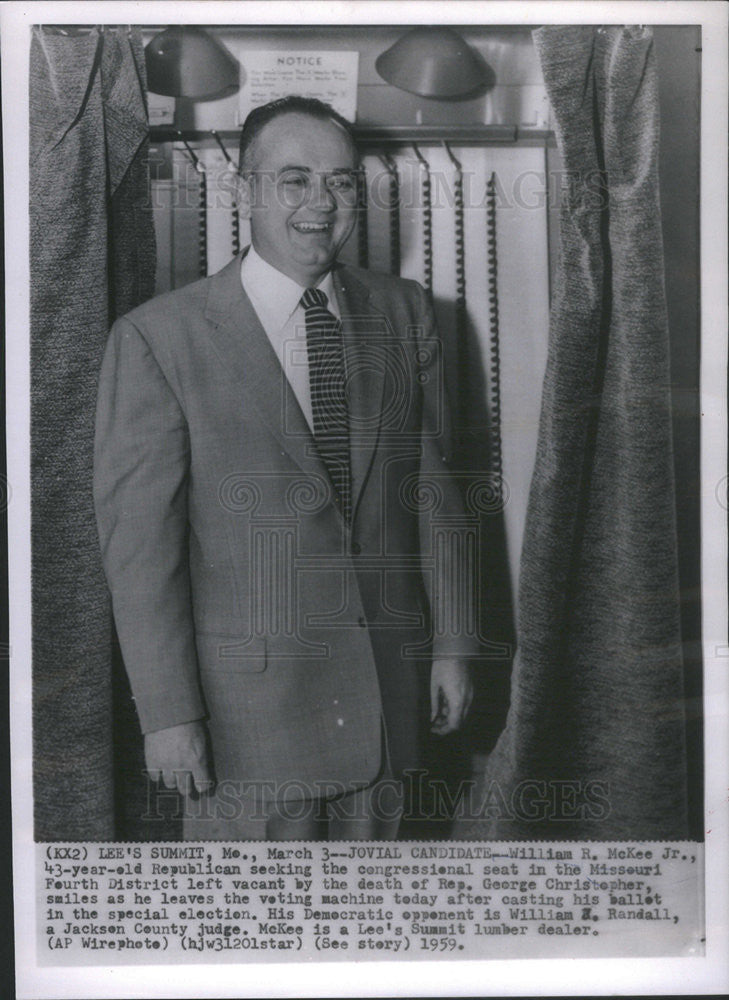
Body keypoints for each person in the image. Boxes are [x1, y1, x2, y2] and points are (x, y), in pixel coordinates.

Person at [94, 96, 479, 840]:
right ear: (244, 191)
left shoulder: (404, 314)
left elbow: (434, 494)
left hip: (387, 714)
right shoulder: (157, 340)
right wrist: (169, 715)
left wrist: (455, 645)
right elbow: (140, 555)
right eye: (293, 180)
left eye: (339, 182)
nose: (320, 203)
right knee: (250, 945)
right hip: (246, 733)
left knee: (373, 940)